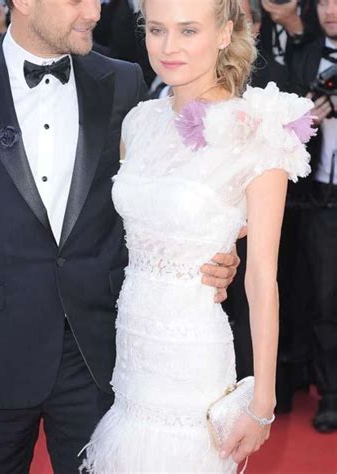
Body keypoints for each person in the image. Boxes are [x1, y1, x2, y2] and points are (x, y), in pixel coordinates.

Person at [0, 0, 240, 471]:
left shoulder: (122, 81)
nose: (94, 12)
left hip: (97, 356)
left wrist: (212, 251)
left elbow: (157, 197)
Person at [81, 0, 314, 472]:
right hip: (132, 355)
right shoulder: (139, 122)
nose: (169, 47)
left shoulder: (258, 132)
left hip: (192, 358)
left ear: (225, 33)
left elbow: (262, 279)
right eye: (157, 30)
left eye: (188, 30)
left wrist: (263, 403)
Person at [289, 0, 337, 434]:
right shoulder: (303, 57)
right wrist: (307, 119)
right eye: (323, 1)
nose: (331, 10)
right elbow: (284, 135)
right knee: (325, 301)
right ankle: (331, 396)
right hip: (321, 198)